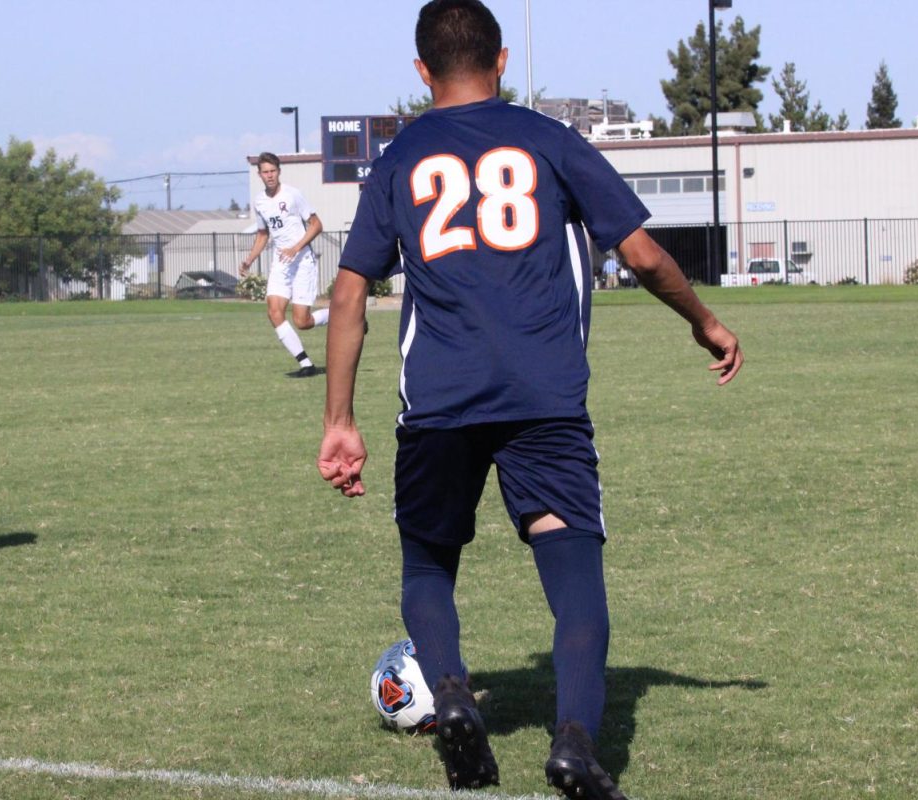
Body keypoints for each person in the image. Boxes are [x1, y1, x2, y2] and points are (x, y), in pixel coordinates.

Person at [317, 1, 742, 796]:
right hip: (545, 399)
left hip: (439, 403)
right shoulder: (550, 140)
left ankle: (448, 692)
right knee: (573, 569)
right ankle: (576, 744)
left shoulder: (400, 157)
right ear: (502, 61)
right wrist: (705, 322)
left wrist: (339, 420)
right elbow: (645, 255)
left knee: (428, 563)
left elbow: (347, 296)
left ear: (420, 71)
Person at [240, 152, 328, 377]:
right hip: (281, 263)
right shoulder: (259, 202)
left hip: (302, 261)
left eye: (272, 171)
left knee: (302, 321)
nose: (269, 175)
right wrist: (250, 260)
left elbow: (316, 225)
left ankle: (344, 314)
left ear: (279, 172)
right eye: (265, 172)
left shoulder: (293, 195)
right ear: (259, 175)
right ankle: (306, 364)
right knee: (274, 311)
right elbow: (262, 234)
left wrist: (296, 247)